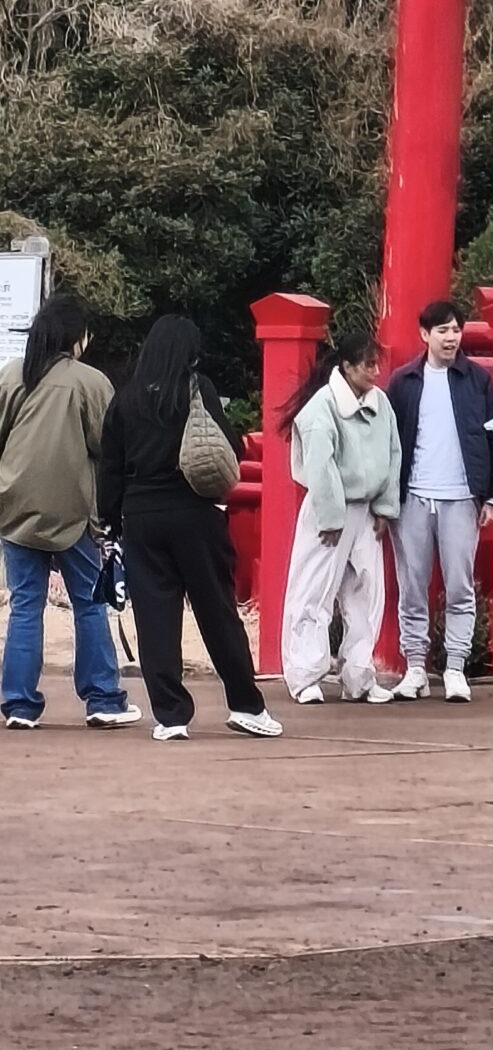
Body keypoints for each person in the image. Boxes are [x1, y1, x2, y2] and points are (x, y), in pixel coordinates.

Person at [99, 314, 282, 743]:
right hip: (195, 512)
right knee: (217, 611)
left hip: (141, 516)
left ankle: (171, 715)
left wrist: (109, 521)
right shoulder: (198, 391)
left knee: (155, 618)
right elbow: (227, 447)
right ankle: (246, 705)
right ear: (188, 352)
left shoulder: (126, 398)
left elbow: (110, 467)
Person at [0, 293, 141, 730]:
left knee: (26, 605)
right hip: (73, 510)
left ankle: (18, 705)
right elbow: (108, 446)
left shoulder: (12, 375)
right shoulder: (90, 381)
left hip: (14, 506)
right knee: (89, 603)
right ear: (77, 337)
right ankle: (103, 698)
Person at [387, 299, 493, 703]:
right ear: (425, 334)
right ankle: (415, 667)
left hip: (461, 496)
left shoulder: (478, 381)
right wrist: (385, 497)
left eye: (456, 329)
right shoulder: (403, 382)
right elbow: (388, 440)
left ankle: (455, 667)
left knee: (460, 585)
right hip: (413, 496)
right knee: (411, 586)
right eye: (442, 330)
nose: (451, 337)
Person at [281, 330, 401, 707]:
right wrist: (331, 516)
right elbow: (320, 466)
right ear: (347, 367)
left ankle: (359, 677)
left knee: (367, 593)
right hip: (328, 511)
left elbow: (393, 454)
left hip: (366, 511)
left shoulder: (381, 403)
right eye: (368, 365)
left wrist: (385, 507)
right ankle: (304, 675)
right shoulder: (321, 407)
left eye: (377, 364)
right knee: (313, 593)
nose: (376, 372)